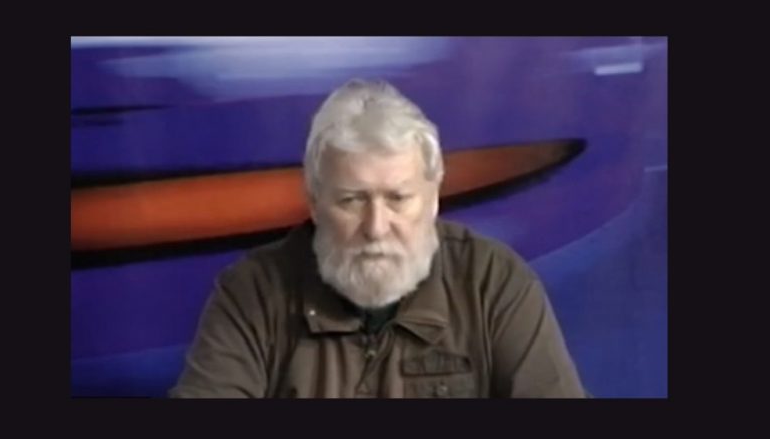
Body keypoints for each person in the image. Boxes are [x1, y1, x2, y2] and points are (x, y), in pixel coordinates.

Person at [169, 79, 586, 398]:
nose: (375, 227)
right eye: (351, 200)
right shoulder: (252, 292)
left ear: (434, 198)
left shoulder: (493, 283)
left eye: (398, 199)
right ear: (314, 202)